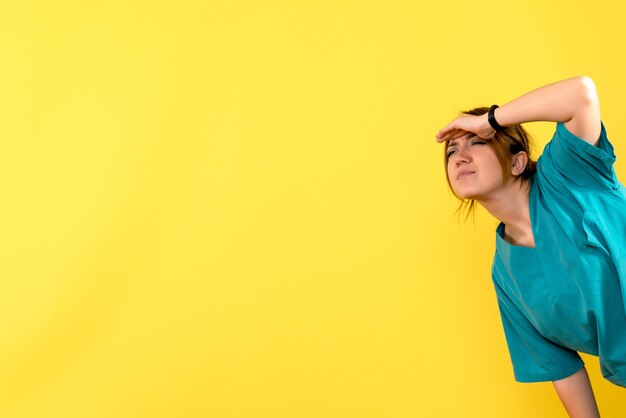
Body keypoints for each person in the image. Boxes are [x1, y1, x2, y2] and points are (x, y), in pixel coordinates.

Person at [435, 76, 626, 418]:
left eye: (475, 143)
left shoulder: (568, 173)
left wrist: (488, 120)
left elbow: (580, 93)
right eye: (451, 151)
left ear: (517, 162)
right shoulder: (505, 275)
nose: (459, 157)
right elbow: (561, 366)